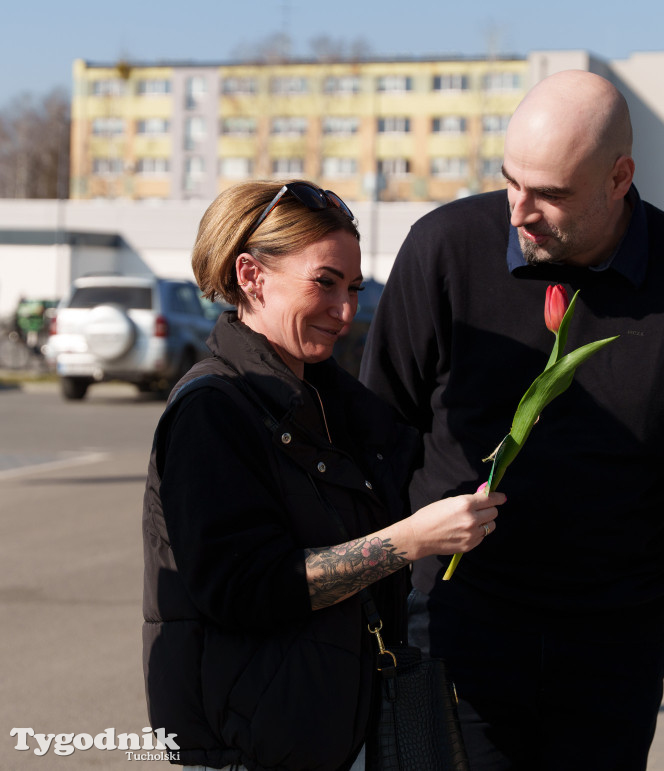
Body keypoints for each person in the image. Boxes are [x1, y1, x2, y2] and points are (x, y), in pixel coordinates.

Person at [360, 70, 664, 769]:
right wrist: (369, 600)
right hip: (455, 627)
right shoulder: (443, 247)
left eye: (552, 194)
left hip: (615, 641)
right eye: (510, 181)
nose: (519, 211)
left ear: (620, 177)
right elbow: (380, 437)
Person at [142, 180, 505, 770]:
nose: (345, 311)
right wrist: (409, 541)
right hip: (250, 749)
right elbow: (243, 589)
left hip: (336, 737)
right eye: (325, 283)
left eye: (355, 288)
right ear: (251, 276)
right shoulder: (213, 409)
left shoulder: (337, 403)